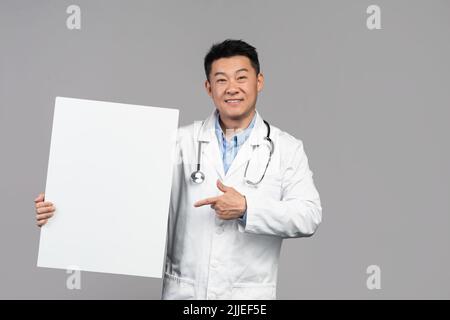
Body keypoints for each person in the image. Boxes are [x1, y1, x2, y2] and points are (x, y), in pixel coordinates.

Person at [34, 39, 322, 300]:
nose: (232, 88)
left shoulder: (287, 148)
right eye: (221, 80)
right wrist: (65, 206)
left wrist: (247, 207)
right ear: (209, 88)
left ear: (259, 82)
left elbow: (309, 216)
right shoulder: (178, 141)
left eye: (241, 78)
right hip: (185, 295)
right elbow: (127, 196)